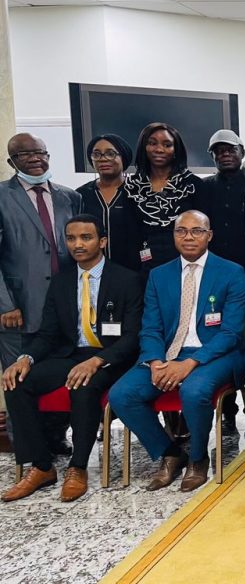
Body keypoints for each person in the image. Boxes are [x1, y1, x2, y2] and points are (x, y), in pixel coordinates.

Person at [1, 215, 143, 502]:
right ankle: (41, 466)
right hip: (71, 354)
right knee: (17, 381)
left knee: (83, 385)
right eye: (71, 238)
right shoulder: (61, 282)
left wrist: (97, 361)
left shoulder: (127, 280)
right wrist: (26, 357)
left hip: (110, 358)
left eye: (86, 237)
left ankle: (78, 467)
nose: (78, 244)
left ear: (102, 241)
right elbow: (48, 334)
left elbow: (132, 337)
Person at [108, 210, 245, 493]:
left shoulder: (231, 272)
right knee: (122, 395)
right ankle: (170, 453)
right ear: (173, 236)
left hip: (215, 353)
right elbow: (150, 328)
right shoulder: (159, 275)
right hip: (168, 352)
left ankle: (198, 458)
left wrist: (190, 363)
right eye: (181, 231)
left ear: (209, 236)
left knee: (194, 391)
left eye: (197, 231)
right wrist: (156, 361)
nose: (189, 237)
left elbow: (231, 333)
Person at [1, 133, 82, 451]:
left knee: (58, 371)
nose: (35, 158)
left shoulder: (69, 196)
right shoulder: (2, 196)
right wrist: (5, 305)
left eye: (41, 152)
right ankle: (28, 450)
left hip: (63, 306)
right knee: (17, 379)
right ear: (12, 162)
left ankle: (56, 436)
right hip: (18, 308)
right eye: (25, 154)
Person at [197, 129, 245, 434]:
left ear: (242, 152)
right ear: (212, 156)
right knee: (219, 335)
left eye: (231, 149)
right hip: (216, 277)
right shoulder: (204, 188)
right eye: (219, 151)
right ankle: (227, 407)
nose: (225, 155)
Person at [123, 122, 202, 275]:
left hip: (186, 264)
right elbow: (130, 234)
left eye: (167, 145)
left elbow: (203, 231)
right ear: (143, 147)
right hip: (143, 265)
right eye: (152, 143)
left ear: (176, 150)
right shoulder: (131, 186)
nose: (159, 149)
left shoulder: (193, 184)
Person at [79, 134, 141, 271]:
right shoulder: (81, 195)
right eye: (96, 154)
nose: (103, 159)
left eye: (110, 153)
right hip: (93, 272)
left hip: (134, 272)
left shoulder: (138, 192)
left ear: (123, 157)